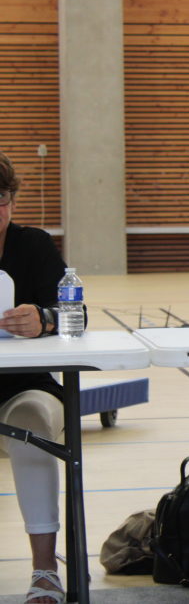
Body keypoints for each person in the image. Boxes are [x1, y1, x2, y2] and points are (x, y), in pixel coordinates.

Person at [0, 151, 72, 604]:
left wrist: (44, 319)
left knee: (33, 428)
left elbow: (74, 312)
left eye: (0, 198)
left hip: (23, 386)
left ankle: (45, 570)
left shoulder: (34, 245)